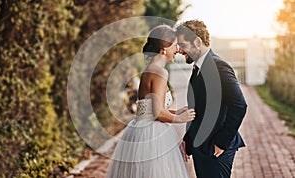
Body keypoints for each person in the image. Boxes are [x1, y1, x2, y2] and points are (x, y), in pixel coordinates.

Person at [105, 25, 195, 178]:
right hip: (153, 136)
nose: (177, 49)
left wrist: (176, 111)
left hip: (141, 129)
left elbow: (148, 108)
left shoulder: (150, 69)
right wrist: (180, 119)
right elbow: (158, 113)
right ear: (165, 48)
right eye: (175, 45)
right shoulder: (160, 72)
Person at [176, 20, 247, 178]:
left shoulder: (220, 67)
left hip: (215, 149)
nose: (179, 51)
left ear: (198, 41)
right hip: (201, 147)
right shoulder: (197, 69)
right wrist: (188, 139)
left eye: (182, 44)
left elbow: (239, 105)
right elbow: (197, 109)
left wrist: (220, 143)